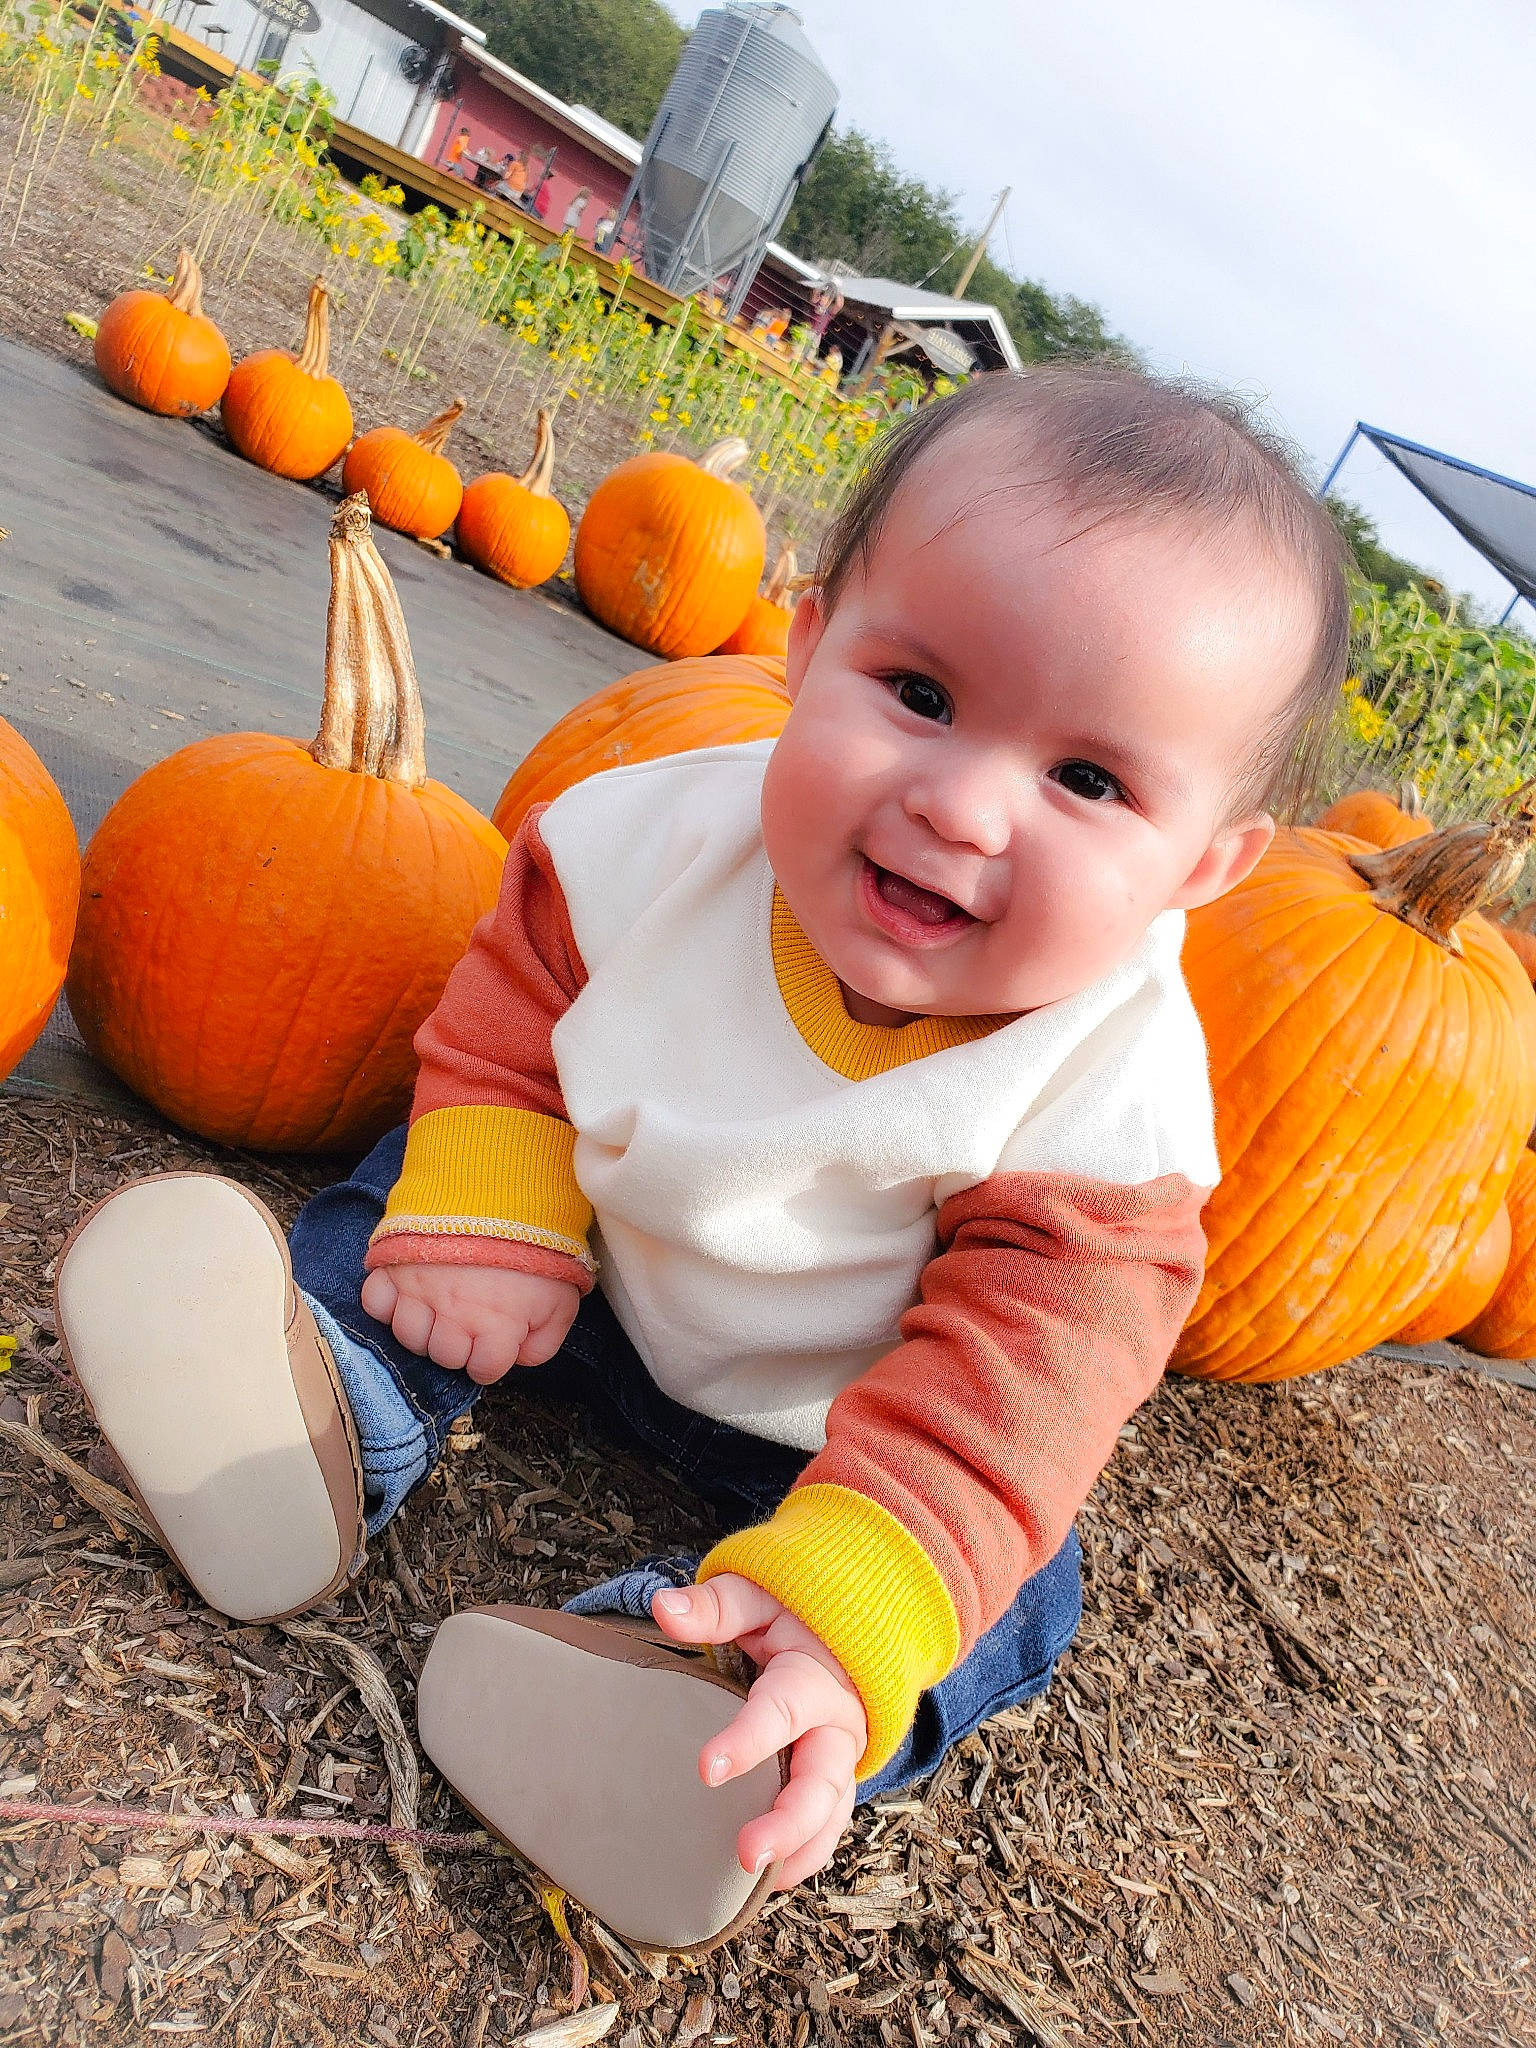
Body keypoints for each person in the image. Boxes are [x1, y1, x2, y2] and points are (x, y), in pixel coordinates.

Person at [54, 367, 1349, 1954]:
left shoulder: (1111, 1104)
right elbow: (524, 990)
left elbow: (1031, 1365)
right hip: (575, 1272)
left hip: (833, 1433)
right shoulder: (660, 833)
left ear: (1203, 869)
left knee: (1007, 1583)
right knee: (420, 1189)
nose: (959, 804)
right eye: (922, 696)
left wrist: (855, 1585)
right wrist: (497, 1197)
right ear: (805, 649)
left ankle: (713, 1696)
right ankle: (325, 1401)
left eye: (1087, 782)